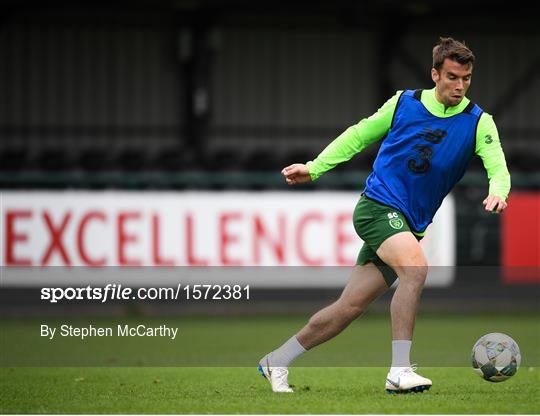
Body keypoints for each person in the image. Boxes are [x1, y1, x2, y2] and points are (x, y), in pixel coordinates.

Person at [258, 37, 511, 394]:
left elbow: (497, 166)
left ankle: (277, 360)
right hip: (377, 206)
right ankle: (400, 371)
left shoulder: (478, 121)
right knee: (416, 269)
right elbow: (358, 136)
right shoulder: (403, 103)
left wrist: (499, 192)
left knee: (349, 306)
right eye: (452, 76)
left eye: (466, 78)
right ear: (435, 73)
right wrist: (314, 168)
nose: (459, 85)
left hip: (409, 223)